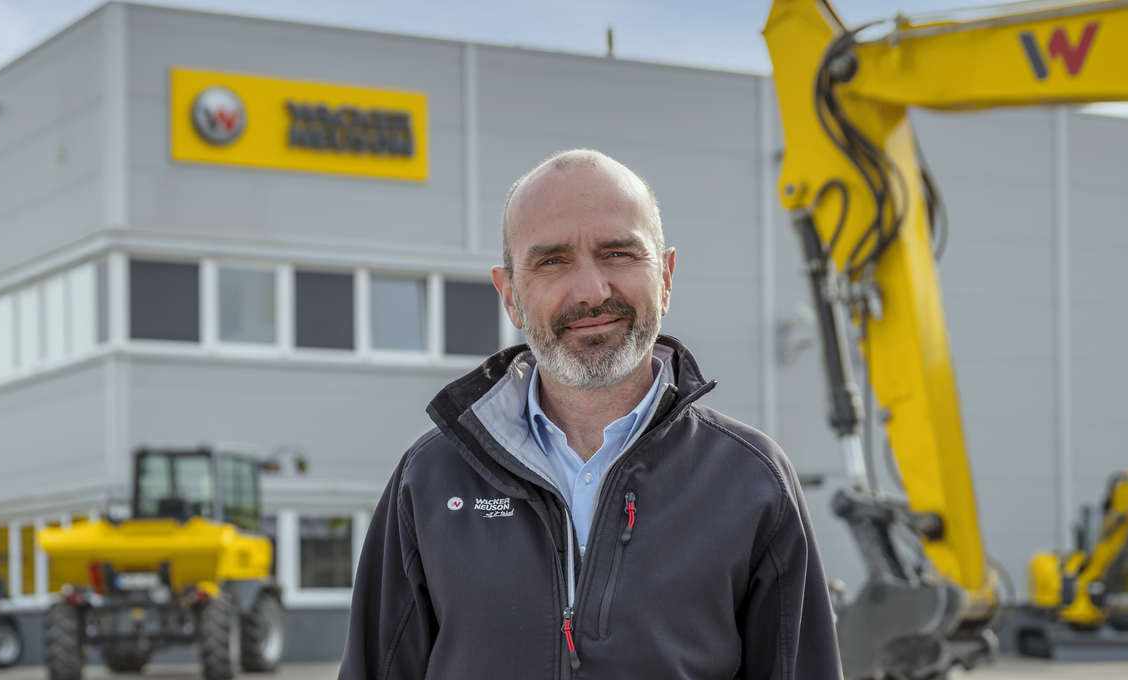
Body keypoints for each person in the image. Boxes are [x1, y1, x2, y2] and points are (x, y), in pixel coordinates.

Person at [340, 149, 840, 679]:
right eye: (552, 261)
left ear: (666, 276)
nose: (591, 292)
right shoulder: (430, 479)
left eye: (619, 254)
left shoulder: (751, 481)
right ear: (510, 294)